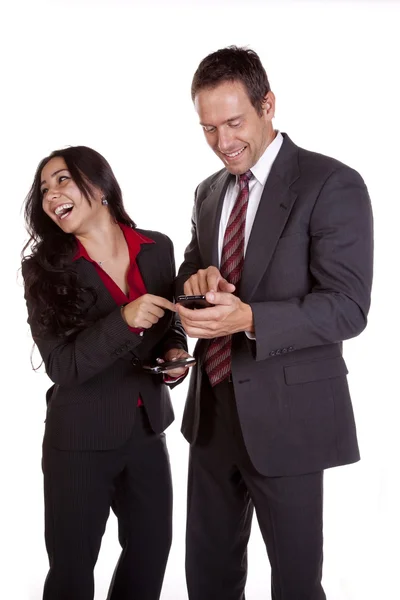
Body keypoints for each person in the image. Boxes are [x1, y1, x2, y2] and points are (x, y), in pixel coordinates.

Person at [175, 46, 373, 600]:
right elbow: (193, 267)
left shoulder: (330, 183)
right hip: (211, 414)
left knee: (294, 584)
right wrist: (194, 286)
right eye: (208, 128)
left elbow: (348, 306)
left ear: (269, 105)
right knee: (207, 580)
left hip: (289, 420)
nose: (222, 142)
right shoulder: (209, 192)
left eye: (234, 122)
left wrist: (250, 318)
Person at [21, 145, 191, 600]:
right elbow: (64, 365)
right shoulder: (43, 271)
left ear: (99, 186)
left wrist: (176, 348)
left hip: (147, 429)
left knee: (151, 552)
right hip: (78, 439)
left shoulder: (158, 249)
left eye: (62, 179)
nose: (51, 194)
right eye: (43, 188)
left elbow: (171, 315)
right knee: (73, 571)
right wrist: (124, 319)